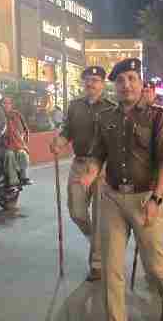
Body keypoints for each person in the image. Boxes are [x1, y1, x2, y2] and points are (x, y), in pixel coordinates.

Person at [79, 58, 163, 321]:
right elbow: (98, 154)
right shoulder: (105, 117)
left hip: (145, 198)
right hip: (112, 198)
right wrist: (91, 172)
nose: (126, 85)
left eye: (132, 78)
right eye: (121, 80)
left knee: (155, 264)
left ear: (141, 82)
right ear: (115, 85)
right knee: (111, 269)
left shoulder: (158, 116)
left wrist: (157, 198)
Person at [50, 66, 117, 282]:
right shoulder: (75, 106)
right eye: (87, 79)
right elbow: (67, 131)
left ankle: (96, 263)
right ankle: (95, 240)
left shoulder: (111, 108)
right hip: (79, 163)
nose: (90, 83)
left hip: (103, 167)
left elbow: (114, 142)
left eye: (95, 80)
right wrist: (59, 143)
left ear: (103, 84)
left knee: (98, 215)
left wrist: (101, 170)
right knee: (76, 212)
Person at [1, 96, 31, 187]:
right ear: (2, 105)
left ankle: (23, 177)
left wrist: (23, 140)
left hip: (18, 143)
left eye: (8, 103)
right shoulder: (0, 115)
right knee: (9, 155)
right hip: (5, 145)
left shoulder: (17, 114)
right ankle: (13, 181)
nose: (6, 105)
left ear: (11, 105)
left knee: (22, 153)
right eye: (4, 103)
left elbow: (25, 130)